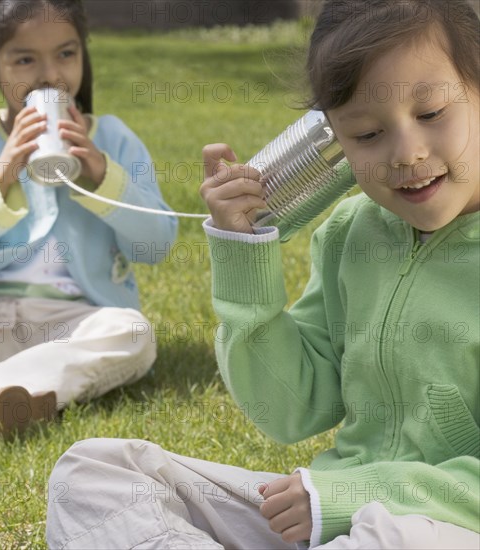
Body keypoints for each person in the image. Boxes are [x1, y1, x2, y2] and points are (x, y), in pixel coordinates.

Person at [45, 0, 479, 548]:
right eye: (366, 135)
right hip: (321, 514)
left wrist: (350, 498)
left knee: (393, 535)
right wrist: (242, 251)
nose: (407, 153)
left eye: (432, 113)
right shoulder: (352, 233)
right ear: (332, 142)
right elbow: (290, 408)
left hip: (439, 528)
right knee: (93, 475)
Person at [0, 0, 177, 438]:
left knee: (133, 333)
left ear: (84, 53)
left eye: (66, 54)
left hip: (71, 321)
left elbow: (155, 245)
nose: (50, 76)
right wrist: (2, 172)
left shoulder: (114, 139)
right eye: (25, 59)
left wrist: (103, 176)